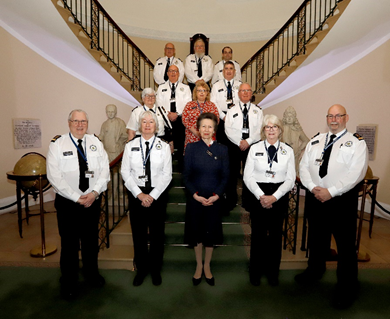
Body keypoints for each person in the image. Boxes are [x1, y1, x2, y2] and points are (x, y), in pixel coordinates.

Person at [296, 104, 368, 309]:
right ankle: (314, 271)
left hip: (341, 201)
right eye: (330, 116)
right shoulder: (316, 140)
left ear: (346, 118)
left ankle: (347, 288)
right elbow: (303, 166)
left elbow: (356, 173)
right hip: (316, 198)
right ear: (326, 118)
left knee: (345, 247)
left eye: (338, 116)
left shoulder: (356, 143)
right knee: (316, 239)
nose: (334, 119)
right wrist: (312, 187)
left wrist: (332, 191)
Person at [46, 109, 110, 300]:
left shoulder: (95, 142)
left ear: (87, 123)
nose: (80, 124)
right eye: (76, 121)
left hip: (92, 202)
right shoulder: (58, 144)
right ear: (69, 122)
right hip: (68, 204)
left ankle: (92, 274)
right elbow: (54, 176)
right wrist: (76, 197)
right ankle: (69, 282)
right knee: (69, 244)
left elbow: (104, 171)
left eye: (83, 121)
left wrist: (94, 193)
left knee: (91, 242)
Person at [121, 110, 172, 286]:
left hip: (158, 194)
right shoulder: (130, 146)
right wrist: (139, 194)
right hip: (137, 194)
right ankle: (141, 269)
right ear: (139, 125)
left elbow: (167, 175)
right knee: (139, 234)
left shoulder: (164, 146)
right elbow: (125, 172)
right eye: (144, 122)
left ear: (156, 126)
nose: (148, 124)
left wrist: (152, 195)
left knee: (157, 235)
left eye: (151, 122)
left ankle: (156, 269)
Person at [243, 114, 295, 286]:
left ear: (280, 130)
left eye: (274, 127)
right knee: (257, 236)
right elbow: (247, 176)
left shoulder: (288, 150)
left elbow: (290, 179)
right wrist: (261, 196)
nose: (271, 130)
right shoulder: (254, 148)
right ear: (263, 130)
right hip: (258, 194)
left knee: (274, 237)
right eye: (268, 127)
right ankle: (255, 273)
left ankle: (273, 273)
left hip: (278, 195)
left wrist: (274, 197)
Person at [183, 112, 229, 286]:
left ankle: (207, 266)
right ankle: (198, 266)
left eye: (210, 126)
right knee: (197, 234)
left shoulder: (222, 149)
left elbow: (225, 177)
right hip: (196, 199)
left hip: (214, 201)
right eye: (203, 126)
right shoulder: (191, 148)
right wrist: (195, 195)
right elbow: (186, 176)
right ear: (198, 128)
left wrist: (216, 196)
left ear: (214, 129)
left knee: (210, 234)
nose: (206, 129)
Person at [224, 83, 263, 211]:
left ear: (251, 94)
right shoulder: (232, 110)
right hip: (235, 145)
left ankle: (248, 202)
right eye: (243, 91)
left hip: (252, 146)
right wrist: (240, 141)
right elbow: (228, 129)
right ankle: (231, 201)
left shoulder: (258, 110)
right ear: (238, 93)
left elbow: (260, 130)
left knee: (250, 174)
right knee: (232, 174)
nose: (245, 93)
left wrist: (248, 141)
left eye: (248, 90)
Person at [156, 64, 192, 170]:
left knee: (181, 144)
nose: (173, 73)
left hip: (180, 119)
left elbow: (188, 103)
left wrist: (176, 113)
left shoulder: (185, 88)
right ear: (167, 73)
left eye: (175, 71)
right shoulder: (161, 87)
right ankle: (164, 168)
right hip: (165, 120)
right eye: (170, 71)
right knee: (165, 145)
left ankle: (181, 168)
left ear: (179, 74)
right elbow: (158, 103)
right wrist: (167, 114)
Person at [210, 61, 242, 145]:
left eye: (231, 69)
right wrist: (223, 116)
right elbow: (213, 103)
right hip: (221, 118)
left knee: (235, 143)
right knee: (222, 143)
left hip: (236, 118)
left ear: (235, 72)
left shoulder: (240, 85)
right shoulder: (216, 86)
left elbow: (243, 102)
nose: (228, 71)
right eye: (226, 69)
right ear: (223, 71)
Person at [182, 80, 219, 151]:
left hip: (209, 136)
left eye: (204, 90)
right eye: (199, 90)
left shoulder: (212, 105)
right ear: (196, 93)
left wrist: (206, 131)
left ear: (207, 93)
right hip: (192, 136)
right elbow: (185, 119)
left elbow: (216, 120)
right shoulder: (189, 105)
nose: (202, 92)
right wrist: (195, 132)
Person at [281, 106, 310, 175]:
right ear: (285, 117)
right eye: (287, 116)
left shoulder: (298, 129)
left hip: (295, 155)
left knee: (294, 174)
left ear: (294, 118)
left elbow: (306, 140)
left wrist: (299, 149)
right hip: (283, 156)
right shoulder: (281, 129)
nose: (289, 118)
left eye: (291, 116)